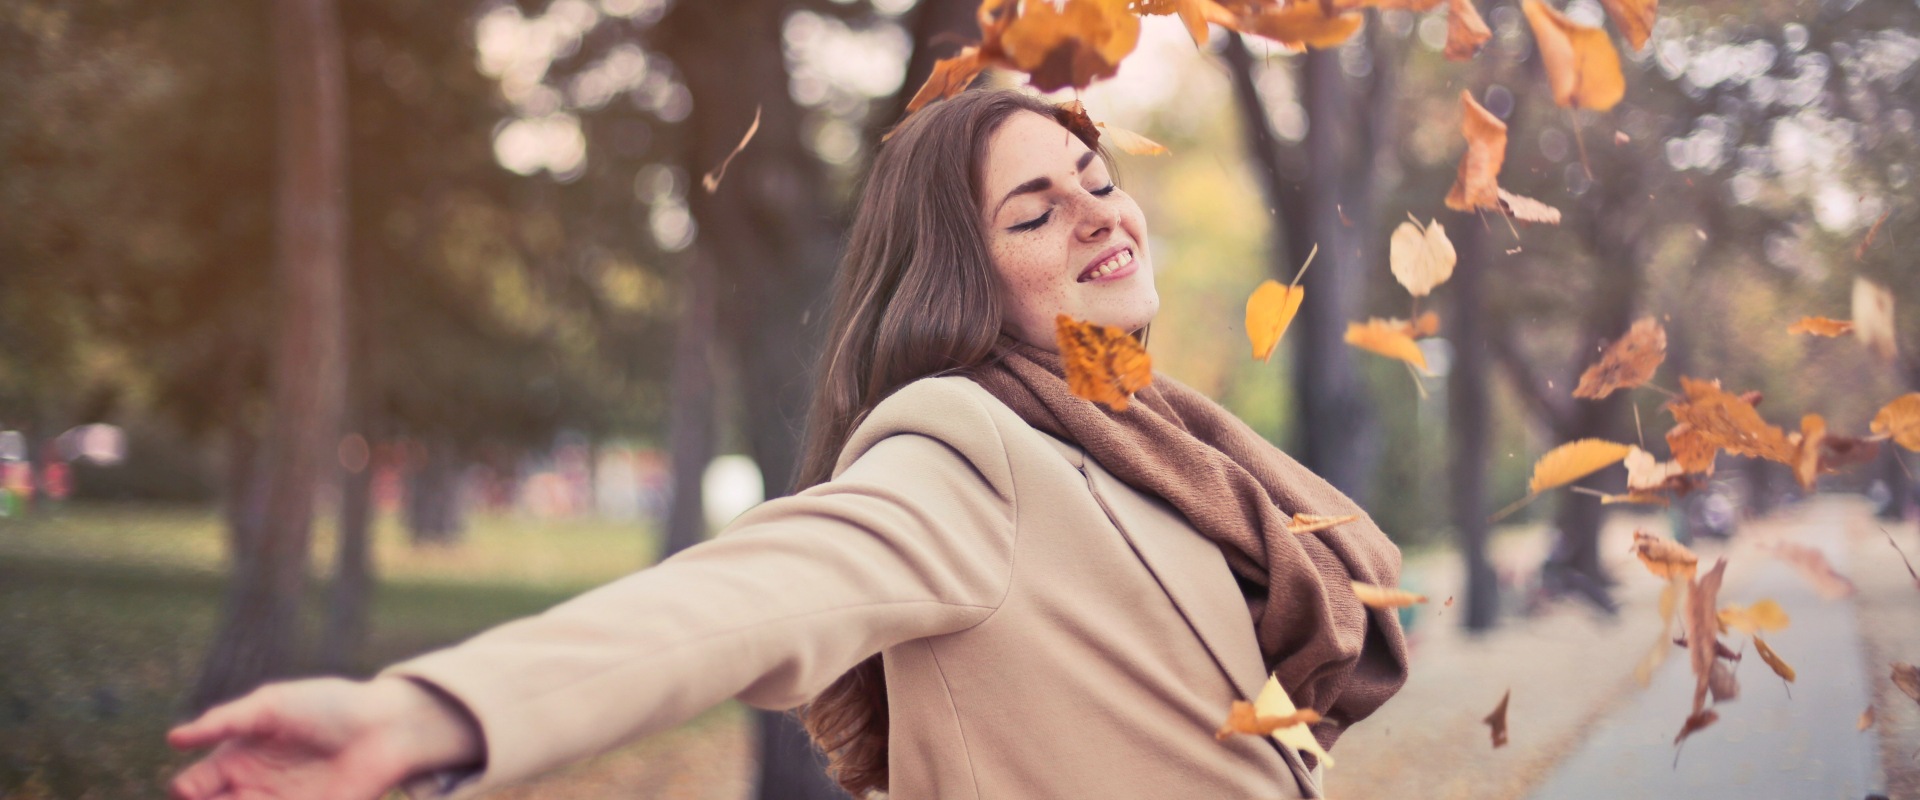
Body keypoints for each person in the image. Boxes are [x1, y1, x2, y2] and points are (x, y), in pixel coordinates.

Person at [165, 88, 1409, 800]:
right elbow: (745, 598)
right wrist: (433, 712)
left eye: (1094, 174)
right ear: (964, 285)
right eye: (1036, 209)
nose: (1095, 209)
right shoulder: (966, 440)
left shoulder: (1160, 443)